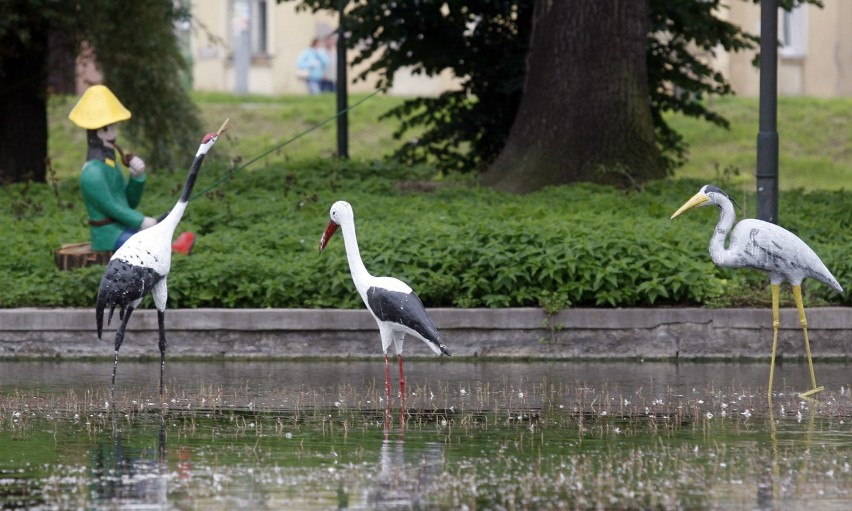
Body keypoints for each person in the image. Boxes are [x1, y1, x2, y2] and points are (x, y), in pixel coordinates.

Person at [68, 85, 194, 255]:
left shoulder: (111, 166)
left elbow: (127, 203)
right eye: (107, 129)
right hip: (108, 235)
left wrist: (137, 177)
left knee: (150, 238)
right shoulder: (92, 173)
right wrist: (141, 221)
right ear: (94, 134)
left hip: (122, 227)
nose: (113, 135)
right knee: (147, 246)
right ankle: (174, 251)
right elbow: (111, 207)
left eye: (113, 128)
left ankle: (173, 248)